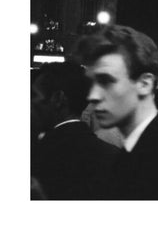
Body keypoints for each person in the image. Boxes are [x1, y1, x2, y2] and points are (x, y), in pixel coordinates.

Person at [73, 24, 158, 200]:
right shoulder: (145, 148)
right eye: (92, 83)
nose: (93, 95)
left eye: (106, 81)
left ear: (145, 84)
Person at [31, 61, 120, 200]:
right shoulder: (112, 156)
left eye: (34, 95)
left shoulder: (39, 154)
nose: (31, 103)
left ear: (58, 99)